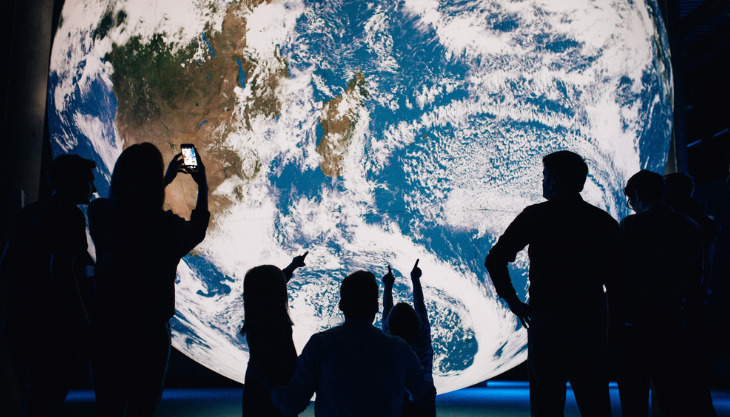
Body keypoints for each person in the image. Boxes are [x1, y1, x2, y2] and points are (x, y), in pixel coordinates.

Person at [484, 150, 618, 416]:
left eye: (544, 176)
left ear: (555, 180)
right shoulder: (602, 221)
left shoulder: (536, 215)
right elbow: (617, 280)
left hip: (548, 325)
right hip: (589, 325)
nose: (542, 182)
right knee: (596, 404)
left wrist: (513, 302)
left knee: (546, 406)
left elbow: (495, 259)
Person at [88, 143, 209, 416]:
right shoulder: (164, 228)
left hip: (107, 327)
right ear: (154, 182)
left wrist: (161, 182)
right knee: (142, 407)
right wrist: (202, 186)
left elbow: (128, 211)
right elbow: (197, 230)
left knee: (109, 405)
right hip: (148, 332)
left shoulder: (100, 214)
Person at [0, 154, 97, 416]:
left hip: (19, 320)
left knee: (32, 396)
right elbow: (62, 271)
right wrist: (81, 322)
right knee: (47, 395)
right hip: (50, 326)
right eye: (89, 181)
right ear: (74, 182)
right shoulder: (70, 216)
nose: (94, 187)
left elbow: (6, 263)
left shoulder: (29, 211)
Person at [269, 270, 436, 417]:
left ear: (341, 304)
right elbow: (424, 396)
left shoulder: (320, 345)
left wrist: (265, 377)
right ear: (375, 307)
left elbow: (291, 403)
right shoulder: (400, 348)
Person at [612, 170, 702, 417]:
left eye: (630, 202)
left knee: (633, 403)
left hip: (635, 330)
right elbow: (696, 280)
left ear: (637, 195)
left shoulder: (630, 227)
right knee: (674, 402)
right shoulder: (689, 227)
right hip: (673, 325)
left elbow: (618, 280)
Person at [665, 172, 719, 417]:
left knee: (679, 378)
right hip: (701, 306)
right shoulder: (704, 223)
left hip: (683, 307)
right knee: (695, 378)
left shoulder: (680, 226)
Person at [241, 252, 308, 417]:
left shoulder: (257, 316)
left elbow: (272, 284)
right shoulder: (276, 325)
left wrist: (293, 266)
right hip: (273, 391)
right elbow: (285, 362)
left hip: (256, 389)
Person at [382, 260, 436, 417]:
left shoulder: (389, 339)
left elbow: (386, 309)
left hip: (396, 397)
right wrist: (415, 278)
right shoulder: (423, 335)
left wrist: (388, 284)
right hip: (424, 394)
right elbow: (420, 304)